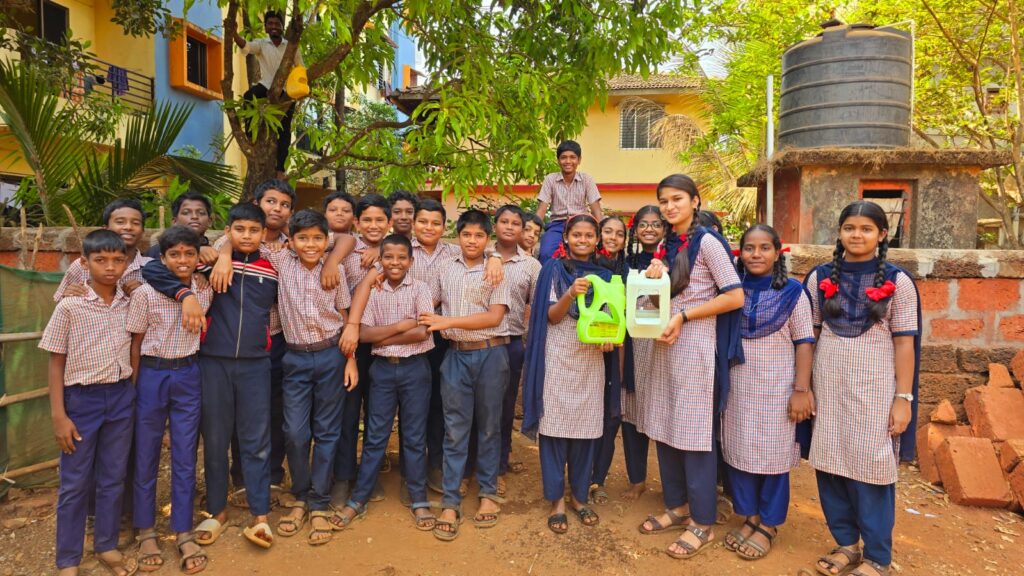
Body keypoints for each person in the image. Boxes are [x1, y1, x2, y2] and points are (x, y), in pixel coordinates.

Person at [804, 201, 920, 576]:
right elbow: (809, 336)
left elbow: (905, 344)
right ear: (839, 233)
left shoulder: (899, 282)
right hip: (828, 387)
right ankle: (846, 545)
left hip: (875, 390)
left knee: (871, 468)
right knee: (830, 464)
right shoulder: (819, 277)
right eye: (850, 228)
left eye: (866, 229)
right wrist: (804, 387)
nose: (857, 235)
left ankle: (877, 557)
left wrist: (903, 399)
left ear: (882, 235)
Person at [636, 174, 744, 560]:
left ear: (695, 201)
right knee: (666, 424)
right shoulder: (667, 243)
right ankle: (677, 505)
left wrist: (684, 316)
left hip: (695, 344)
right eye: (663, 200)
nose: (669, 206)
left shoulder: (708, 242)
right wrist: (652, 284)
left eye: (677, 199)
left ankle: (702, 521)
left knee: (694, 432)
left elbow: (734, 296)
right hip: (665, 345)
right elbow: (654, 297)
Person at [255, 209, 356, 546]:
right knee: (295, 432)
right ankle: (300, 494)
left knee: (327, 431)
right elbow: (237, 242)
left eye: (317, 238)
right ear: (291, 241)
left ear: (326, 240)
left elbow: (344, 316)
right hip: (295, 357)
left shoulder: (335, 269)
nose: (310, 245)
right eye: (302, 238)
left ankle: (319, 502)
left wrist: (350, 360)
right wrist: (222, 252)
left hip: (331, 354)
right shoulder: (282, 263)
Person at [41, 229, 137, 576]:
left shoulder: (130, 303)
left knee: (113, 476)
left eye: (117, 260)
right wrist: (59, 415)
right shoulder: (70, 305)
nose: (110, 267)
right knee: (75, 482)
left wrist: (131, 392)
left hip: (121, 396)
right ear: (84, 263)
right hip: (82, 400)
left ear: (126, 263)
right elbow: (55, 361)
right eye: (100, 260)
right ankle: (68, 560)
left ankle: (106, 545)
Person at [721, 224, 814, 561]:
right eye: (749, 248)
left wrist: (801, 390)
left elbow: (804, 343)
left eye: (764, 248)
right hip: (738, 386)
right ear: (740, 253)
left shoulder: (793, 292)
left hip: (777, 388)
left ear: (777, 253)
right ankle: (750, 517)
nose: (756, 254)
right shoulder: (731, 291)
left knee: (772, 456)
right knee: (740, 451)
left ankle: (769, 524)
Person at [332, 234, 436, 531]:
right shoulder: (372, 290)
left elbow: (422, 332)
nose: (395, 262)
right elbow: (363, 334)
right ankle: (359, 498)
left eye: (402, 257)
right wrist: (402, 325)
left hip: (415, 369)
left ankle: (418, 498)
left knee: (414, 435)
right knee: (375, 436)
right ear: (380, 260)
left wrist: (384, 336)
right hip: (382, 371)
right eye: (388, 257)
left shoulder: (421, 288)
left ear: (410, 261)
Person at [190, 203, 279, 549]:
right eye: (239, 229)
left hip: (256, 364)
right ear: (227, 230)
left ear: (263, 233)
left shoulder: (273, 268)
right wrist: (221, 254)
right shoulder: (208, 262)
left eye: (254, 230)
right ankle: (217, 511)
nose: (247, 236)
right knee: (215, 439)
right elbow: (163, 264)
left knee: (256, 440)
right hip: (213, 363)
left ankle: (260, 516)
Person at [418, 209, 510, 541]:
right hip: (455, 356)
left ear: (488, 239)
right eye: (467, 234)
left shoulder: (496, 270)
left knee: (489, 427)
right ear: (458, 237)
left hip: (491, 353)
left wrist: (448, 321)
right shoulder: (445, 268)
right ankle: (450, 501)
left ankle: (487, 493)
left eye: (479, 235)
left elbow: (494, 317)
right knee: (455, 430)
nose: (472, 241)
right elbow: (429, 302)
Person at [127, 226, 212, 574]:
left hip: (188, 374)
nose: (182, 260)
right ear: (162, 258)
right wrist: (133, 386)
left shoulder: (204, 290)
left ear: (197, 257)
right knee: (146, 452)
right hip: (151, 373)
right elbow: (135, 343)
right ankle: (146, 529)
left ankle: (183, 529)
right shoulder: (145, 294)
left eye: (189, 254)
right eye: (174, 254)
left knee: (185, 453)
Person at [523, 213, 612, 534]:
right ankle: (557, 501)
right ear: (566, 238)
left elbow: (610, 316)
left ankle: (579, 496)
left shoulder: (606, 274)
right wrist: (570, 293)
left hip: (590, 359)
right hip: (558, 355)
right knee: (554, 430)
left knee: (586, 431)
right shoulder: (552, 269)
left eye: (589, 235)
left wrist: (608, 338)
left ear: (597, 240)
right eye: (577, 235)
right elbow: (551, 316)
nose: (583, 240)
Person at [333, 193, 392, 506]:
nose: (373, 225)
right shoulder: (344, 250)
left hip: (382, 341)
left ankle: (370, 474)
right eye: (366, 219)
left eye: (380, 220)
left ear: (389, 223)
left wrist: (381, 251)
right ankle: (343, 475)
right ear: (356, 222)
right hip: (349, 340)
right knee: (348, 410)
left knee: (377, 413)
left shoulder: (395, 250)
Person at [617, 205, 667, 502]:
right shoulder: (627, 263)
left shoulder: (674, 261)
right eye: (644, 225)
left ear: (665, 228)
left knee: (662, 411)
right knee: (632, 412)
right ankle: (637, 480)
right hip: (635, 344)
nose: (649, 229)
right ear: (635, 230)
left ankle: (672, 485)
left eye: (656, 224)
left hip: (664, 344)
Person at [491, 205, 541, 496]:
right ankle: (471, 467)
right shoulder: (479, 253)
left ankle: (498, 468)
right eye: (504, 221)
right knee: (474, 410)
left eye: (515, 223)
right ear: (494, 225)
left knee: (505, 408)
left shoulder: (531, 266)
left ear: (522, 230)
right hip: (477, 342)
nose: (509, 227)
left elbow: (538, 306)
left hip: (510, 343)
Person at [227, 10, 303, 176]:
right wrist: (234, 34)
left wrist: (300, 90)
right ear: (266, 27)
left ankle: (280, 168)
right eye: (270, 24)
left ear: (282, 27)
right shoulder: (261, 44)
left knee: (284, 130)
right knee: (248, 97)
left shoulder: (291, 47)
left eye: (277, 24)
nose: (274, 26)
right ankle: (250, 136)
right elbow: (246, 46)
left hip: (287, 92)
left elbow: (301, 69)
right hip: (266, 86)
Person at [589, 215, 627, 505]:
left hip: (620, 352)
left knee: (611, 417)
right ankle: (580, 477)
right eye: (608, 231)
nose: (613, 237)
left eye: (619, 233)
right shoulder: (587, 267)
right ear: (599, 235)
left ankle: (598, 479)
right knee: (589, 413)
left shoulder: (628, 271)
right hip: (590, 350)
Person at [54, 198, 151, 301]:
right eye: (120, 222)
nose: (128, 227)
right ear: (106, 229)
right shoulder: (81, 265)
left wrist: (144, 292)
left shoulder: (152, 267)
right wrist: (68, 294)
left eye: (135, 223)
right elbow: (60, 301)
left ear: (143, 231)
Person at [535, 140, 602, 262]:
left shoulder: (586, 179)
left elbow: (596, 209)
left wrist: (602, 231)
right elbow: (542, 209)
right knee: (545, 253)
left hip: (581, 223)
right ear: (558, 160)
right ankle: (550, 274)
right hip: (557, 225)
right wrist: (533, 230)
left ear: (579, 160)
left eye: (572, 157)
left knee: (588, 255)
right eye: (563, 157)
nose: (568, 161)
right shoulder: (550, 179)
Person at [144, 192, 216, 265]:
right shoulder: (157, 251)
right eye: (186, 212)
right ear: (175, 222)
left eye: (201, 213)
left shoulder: (215, 254)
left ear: (209, 221)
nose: (194, 216)